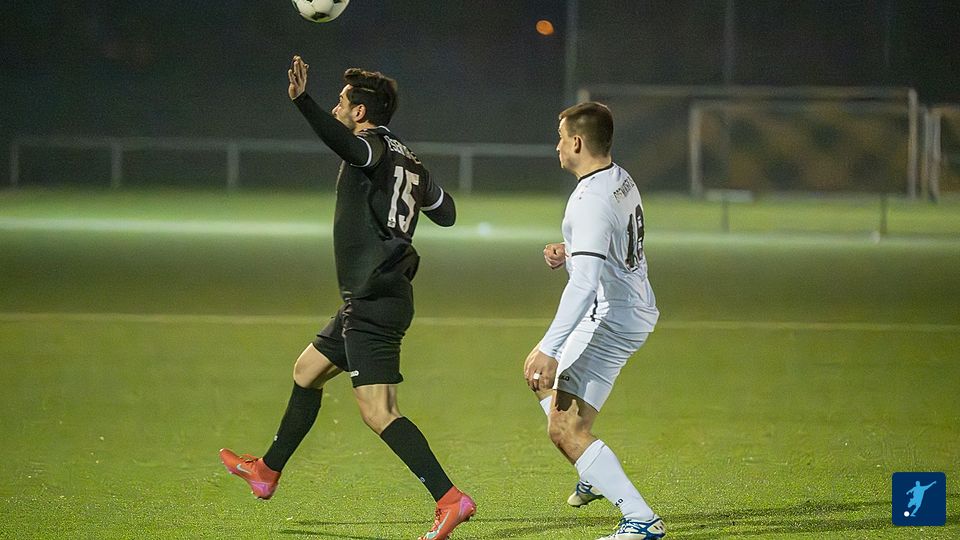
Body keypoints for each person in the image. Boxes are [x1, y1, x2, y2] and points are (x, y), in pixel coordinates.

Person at [219, 55, 475, 540]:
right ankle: (266, 471)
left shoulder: (371, 147)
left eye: (341, 102)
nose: (337, 108)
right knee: (307, 371)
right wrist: (415, 188)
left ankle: (449, 499)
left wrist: (303, 102)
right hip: (374, 294)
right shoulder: (409, 159)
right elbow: (448, 213)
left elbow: (345, 144)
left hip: (375, 298)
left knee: (379, 411)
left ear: (360, 112)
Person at [523, 102, 665, 540]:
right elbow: (611, 241)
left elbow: (584, 285)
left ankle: (641, 519)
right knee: (539, 379)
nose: (557, 145)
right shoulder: (619, 179)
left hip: (611, 317)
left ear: (578, 143)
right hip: (627, 307)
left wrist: (551, 347)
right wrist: (571, 249)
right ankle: (593, 472)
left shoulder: (590, 200)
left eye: (561, 137)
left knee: (564, 427)